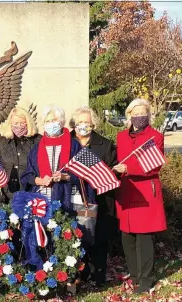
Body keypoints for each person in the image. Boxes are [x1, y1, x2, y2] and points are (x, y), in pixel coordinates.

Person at [112, 99, 166, 294]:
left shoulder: (155, 136)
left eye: (143, 113)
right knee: (127, 237)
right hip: (127, 192)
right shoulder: (121, 137)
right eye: (135, 113)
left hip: (145, 193)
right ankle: (134, 274)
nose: (139, 116)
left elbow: (155, 164)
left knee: (144, 238)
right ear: (129, 115)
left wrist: (129, 168)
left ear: (148, 115)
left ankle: (145, 280)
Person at [70, 106, 118, 286]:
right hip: (73, 200)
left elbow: (113, 169)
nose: (83, 126)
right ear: (74, 125)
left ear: (93, 125)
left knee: (97, 241)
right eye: (79, 122)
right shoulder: (68, 142)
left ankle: (99, 278)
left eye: (87, 122)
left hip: (99, 201)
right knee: (75, 238)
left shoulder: (104, 145)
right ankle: (78, 276)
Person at [21, 105, 88, 210]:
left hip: (70, 199)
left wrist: (65, 177)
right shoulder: (36, 149)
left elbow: (85, 173)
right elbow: (27, 176)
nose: (51, 124)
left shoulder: (75, 146)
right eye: (47, 121)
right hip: (42, 201)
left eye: (54, 120)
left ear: (61, 122)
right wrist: (40, 180)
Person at [0, 107, 41, 205]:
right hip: (7, 196)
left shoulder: (38, 140)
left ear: (28, 122)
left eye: (22, 123)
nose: (19, 126)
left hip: (31, 194)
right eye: (16, 123)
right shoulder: (4, 141)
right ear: (11, 124)